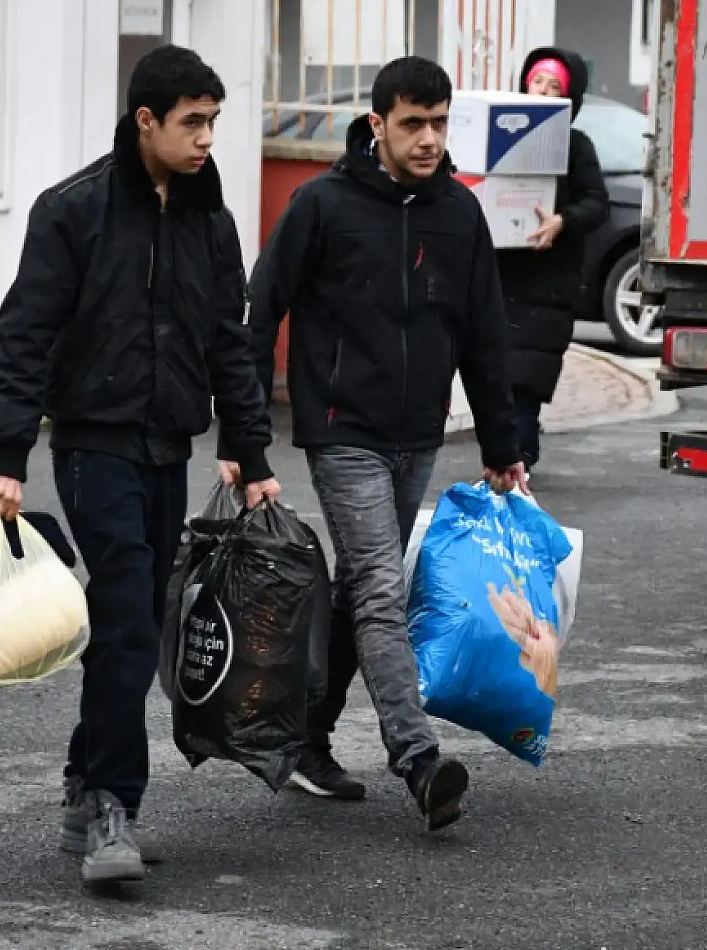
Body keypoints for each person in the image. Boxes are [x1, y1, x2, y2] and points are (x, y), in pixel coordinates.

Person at [0, 45, 281, 885]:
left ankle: (85, 788)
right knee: (123, 616)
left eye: (214, 121)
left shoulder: (208, 220)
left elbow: (230, 343)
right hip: (91, 444)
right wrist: (10, 452)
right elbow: (25, 332)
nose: (205, 138)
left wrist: (250, 451)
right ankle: (115, 803)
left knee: (134, 620)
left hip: (165, 447)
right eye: (191, 121)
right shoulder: (73, 211)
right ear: (144, 120)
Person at [247, 55, 527, 832]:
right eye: (413, 123)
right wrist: (246, 435)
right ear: (378, 125)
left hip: (417, 432)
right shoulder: (323, 205)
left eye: (440, 122)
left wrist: (503, 443)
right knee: (378, 585)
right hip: (342, 430)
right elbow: (260, 308)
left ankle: (305, 738)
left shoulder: (459, 214)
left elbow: (484, 336)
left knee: (355, 590)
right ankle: (419, 760)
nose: (430, 138)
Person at [498, 48, 610, 483]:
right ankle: (510, 458)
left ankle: (518, 461)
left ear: (571, 99)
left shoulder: (576, 146)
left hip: (548, 284)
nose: (542, 91)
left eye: (555, 87)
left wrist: (563, 221)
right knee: (498, 377)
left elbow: (596, 204)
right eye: (537, 81)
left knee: (525, 380)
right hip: (501, 277)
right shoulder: (503, 133)